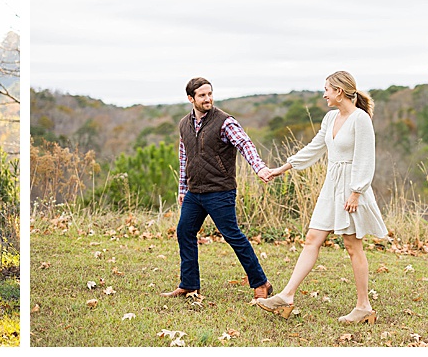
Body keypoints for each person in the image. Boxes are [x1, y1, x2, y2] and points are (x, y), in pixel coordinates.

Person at [254, 70, 386, 325]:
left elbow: (366, 158)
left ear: (339, 90)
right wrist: (283, 168)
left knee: (352, 245)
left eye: (327, 89)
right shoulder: (330, 118)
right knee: (312, 239)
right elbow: (314, 148)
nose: (324, 94)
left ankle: (364, 307)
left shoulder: (360, 119)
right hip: (331, 185)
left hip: (352, 187)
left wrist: (356, 191)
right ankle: (287, 296)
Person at [161, 76, 276, 305]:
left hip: (220, 190)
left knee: (232, 235)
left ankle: (260, 283)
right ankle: (189, 284)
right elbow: (184, 156)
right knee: (184, 232)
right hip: (194, 192)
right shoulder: (184, 124)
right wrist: (182, 189)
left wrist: (259, 168)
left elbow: (245, 144)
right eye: (202, 95)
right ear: (190, 98)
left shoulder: (225, 122)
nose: (208, 99)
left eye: (210, 94)